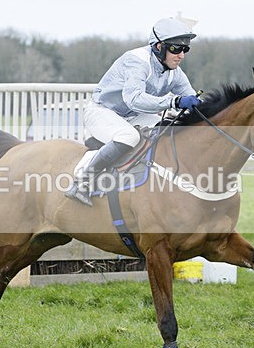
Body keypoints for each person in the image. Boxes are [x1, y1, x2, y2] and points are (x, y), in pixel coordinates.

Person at [65, 17, 200, 206]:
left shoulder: (175, 72)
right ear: (158, 47)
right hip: (102, 111)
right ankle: (82, 182)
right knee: (129, 136)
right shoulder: (137, 61)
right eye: (176, 49)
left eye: (185, 49)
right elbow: (134, 99)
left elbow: (193, 99)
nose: (181, 55)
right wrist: (174, 101)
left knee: (167, 128)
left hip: (132, 115)